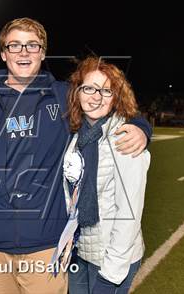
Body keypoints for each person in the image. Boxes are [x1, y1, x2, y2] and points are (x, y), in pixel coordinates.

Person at [0, 17, 151, 294]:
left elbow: (112, 110)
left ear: (43, 53)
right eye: (15, 45)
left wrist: (141, 128)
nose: (23, 52)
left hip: (46, 244)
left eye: (32, 45)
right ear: (3, 53)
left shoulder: (63, 96)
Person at [61, 57, 150, 294]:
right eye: (89, 88)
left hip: (112, 258)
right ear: (77, 92)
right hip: (79, 251)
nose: (96, 96)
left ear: (116, 97)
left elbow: (129, 214)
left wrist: (111, 274)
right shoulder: (76, 136)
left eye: (106, 91)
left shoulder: (126, 138)